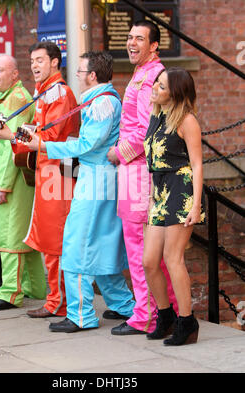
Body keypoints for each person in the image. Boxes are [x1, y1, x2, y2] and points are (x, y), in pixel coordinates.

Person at [23, 51, 136, 333]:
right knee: (103, 246)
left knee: (75, 247)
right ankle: (125, 305)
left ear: (93, 75)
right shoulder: (101, 100)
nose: (77, 74)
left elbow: (87, 145)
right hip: (101, 179)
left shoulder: (100, 104)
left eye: (81, 70)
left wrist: (44, 146)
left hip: (95, 181)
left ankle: (81, 315)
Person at [0, 42, 79, 318]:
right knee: (50, 240)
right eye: (32, 60)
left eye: (40, 60)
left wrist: (13, 136)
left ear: (55, 62)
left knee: (55, 241)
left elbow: (51, 139)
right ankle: (57, 300)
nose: (34, 65)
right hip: (50, 174)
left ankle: (59, 302)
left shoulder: (59, 92)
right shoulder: (46, 91)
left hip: (59, 176)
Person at [107, 20, 178, 335]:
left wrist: (117, 153)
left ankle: (146, 316)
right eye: (129, 37)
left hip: (139, 172)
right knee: (150, 251)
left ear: (154, 46)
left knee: (139, 248)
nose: (132, 43)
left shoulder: (151, 76)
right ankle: (168, 311)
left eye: (140, 38)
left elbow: (146, 129)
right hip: (139, 172)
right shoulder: (145, 73)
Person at [0, 55, 47, 311]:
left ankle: (9, 293)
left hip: (12, 180)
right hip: (13, 178)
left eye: (0, 69)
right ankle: (35, 288)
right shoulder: (11, 96)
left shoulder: (17, 98)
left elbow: (14, 146)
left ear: (15, 74)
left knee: (9, 237)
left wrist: (4, 185)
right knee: (24, 237)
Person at [143, 67, 205, 345]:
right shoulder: (157, 116)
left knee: (173, 258)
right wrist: (151, 197)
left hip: (181, 191)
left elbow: (197, 164)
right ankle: (165, 315)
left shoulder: (187, 120)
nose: (156, 87)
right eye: (157, 82)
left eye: (163, 86)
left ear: (176, 93)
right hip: (160, 192)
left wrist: (195, 205)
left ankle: (186, 321)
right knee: (149, 261)